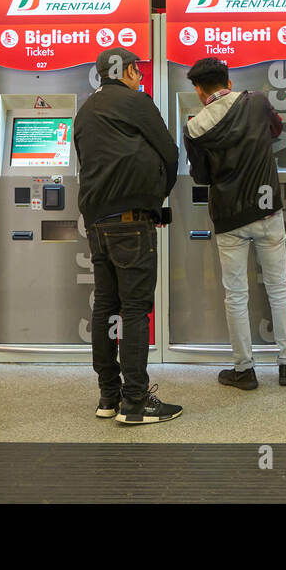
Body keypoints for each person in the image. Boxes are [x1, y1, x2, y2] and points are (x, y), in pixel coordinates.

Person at [183, 57, 286, 390]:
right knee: (279, 287)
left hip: (228, 217)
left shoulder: (194, 127)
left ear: (197, 89)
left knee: (235, 294)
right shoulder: (256, 103)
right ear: (229, 82)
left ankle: (244, 370)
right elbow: (277, 130)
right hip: (267, 211)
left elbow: (202, 176)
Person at [73, 47, 181, 424]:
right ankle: (136, 402)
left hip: (97, 221)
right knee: (135, 308)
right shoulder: (136, 101)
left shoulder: (86, 109)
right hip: (131, 222)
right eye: (139, 70)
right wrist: (158, 196)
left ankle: (108, 397)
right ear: (131, 71)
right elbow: (169, 152)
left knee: (106, 305)